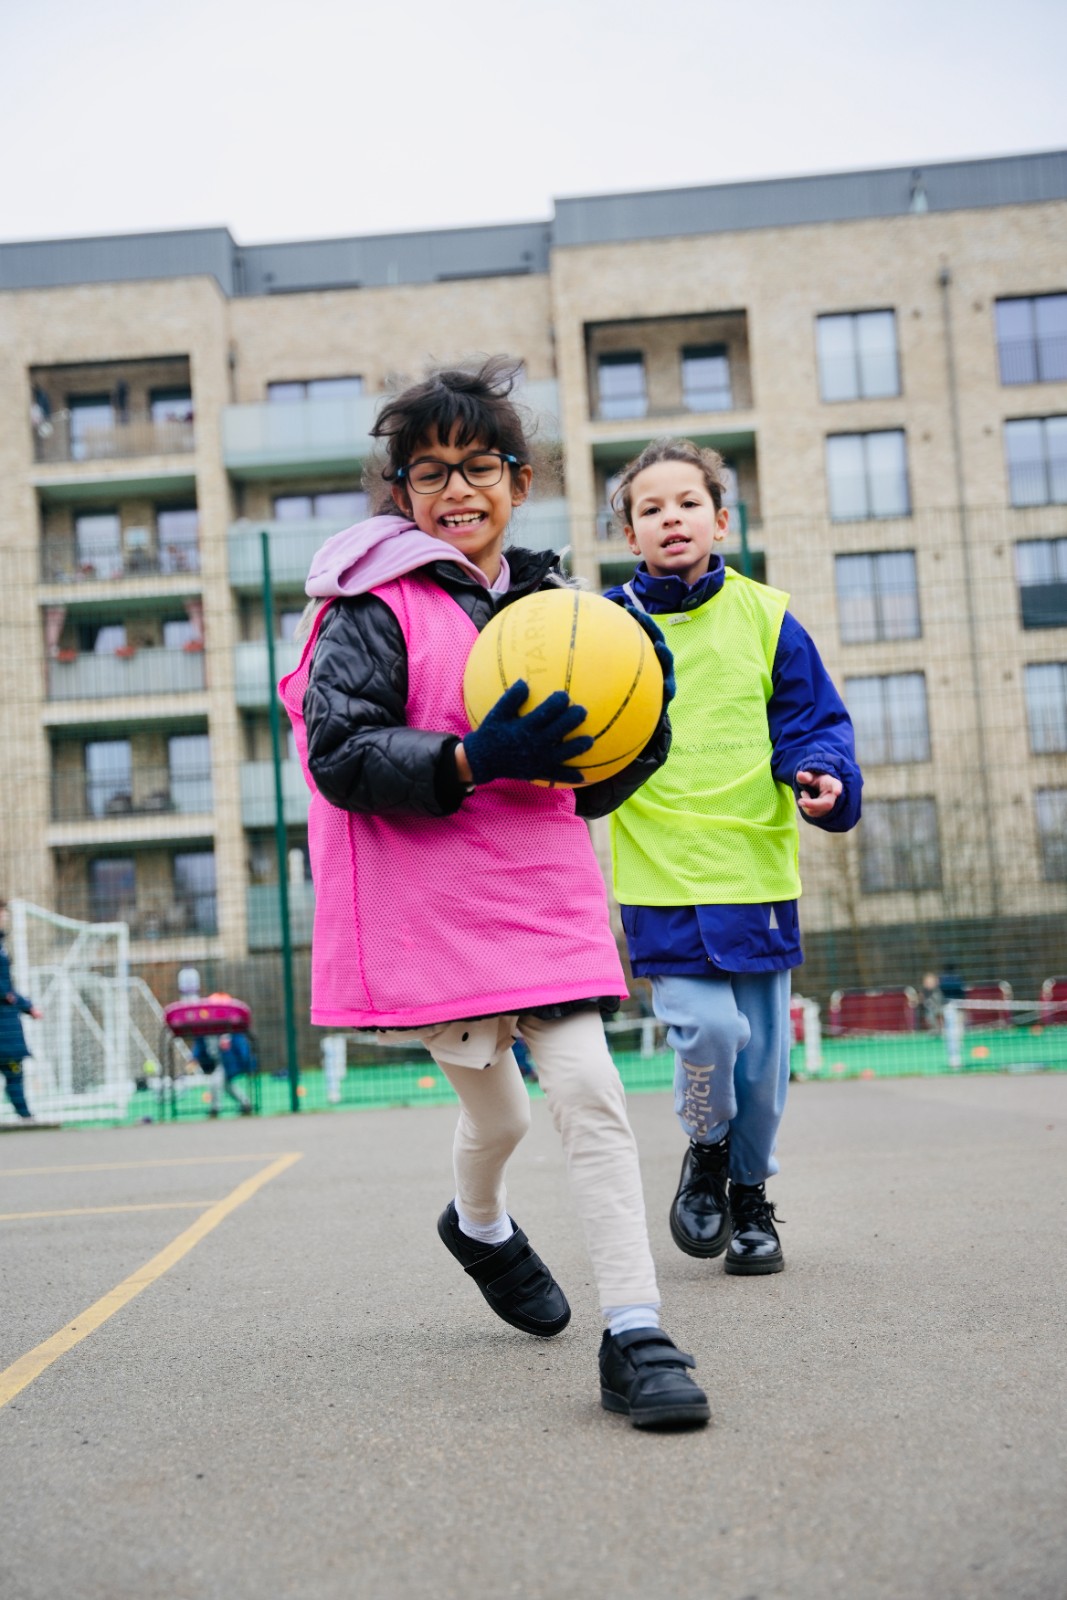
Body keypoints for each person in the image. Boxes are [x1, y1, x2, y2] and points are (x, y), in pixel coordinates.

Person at [280, 358, 709, 1429]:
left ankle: (635, 1332)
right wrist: (470, 759)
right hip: (427, 905)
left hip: (536, 889)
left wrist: (638, 728)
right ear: (401, 495)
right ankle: (476, 1225)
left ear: (518, 482)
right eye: (428, 473)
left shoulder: (562, 609)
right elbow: (338, 751)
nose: (454, 489)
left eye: (478, 466)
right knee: (502, 1113)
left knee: (588, 1094)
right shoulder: (368, 608)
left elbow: (592, 782)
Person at [604, 438, 862, 1276]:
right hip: (661, 875)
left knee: (762, 1070)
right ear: (629, 534)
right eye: (650, 508)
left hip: (753, 875)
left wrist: (822, 775)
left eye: (686, 503)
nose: (669, 517)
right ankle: (705, 1150)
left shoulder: (768, 616)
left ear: (719, 520)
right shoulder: (607, 626)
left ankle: (749, 1198)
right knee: (708, 1030)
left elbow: (812, 723)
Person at [0, 899, 41, 1123]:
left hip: (7, 1023)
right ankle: (25, 1117)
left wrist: (26, 1005)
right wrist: (12, 999)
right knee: (13, 1071)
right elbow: (5, 990)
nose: (4, 917)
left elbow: (7, 988)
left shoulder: (2, 946)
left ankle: (25, 1115)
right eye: (1, 912)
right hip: (4, 1026)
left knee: (13, 1070)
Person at [192, 1032, 253, 1117]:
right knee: (227, 1085)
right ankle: (246, 1104)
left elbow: (241, 1046)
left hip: (227, 1063)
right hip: (214, 1062)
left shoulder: (229, 1031)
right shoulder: (204, 1032)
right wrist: (195, 1057)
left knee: (215, 1082)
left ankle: (215, 1109)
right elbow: (199, 1045)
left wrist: (245, 1062)